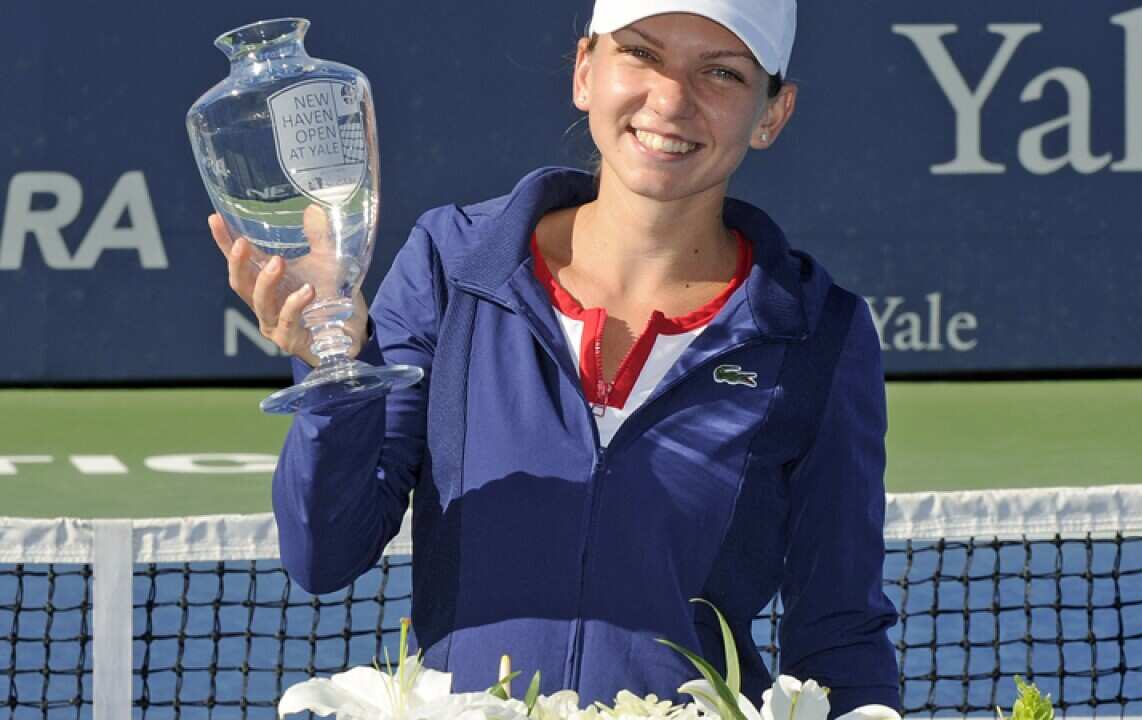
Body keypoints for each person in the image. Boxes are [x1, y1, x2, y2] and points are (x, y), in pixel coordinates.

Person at [209, 0, 901, 714]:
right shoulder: (451, 266)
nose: (670, 99)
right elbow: (324, 553)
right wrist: (330, 362)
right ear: (584, 72)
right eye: (641, 54)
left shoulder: (821, 332)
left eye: (721, 72)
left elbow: (840, 630)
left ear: (771, 114)